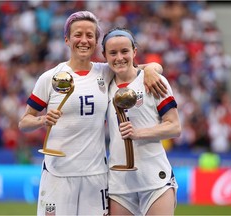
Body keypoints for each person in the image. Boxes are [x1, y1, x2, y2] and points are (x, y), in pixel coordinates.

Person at [18, 11, 167, 215]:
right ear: (67, 39)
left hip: (96, 175)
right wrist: (42, 120)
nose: (84, 40)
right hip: (58, 173)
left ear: (97, 41)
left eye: (90, 35)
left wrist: (151, 68)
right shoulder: (50, 77)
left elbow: (134, 68)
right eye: (78, 34)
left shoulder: (104, 71)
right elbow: (24, 122)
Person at [102, 27, 181, 215]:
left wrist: (138, 133)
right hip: (119, 182)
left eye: (125, 51)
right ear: (104, 56)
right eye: (113, 53)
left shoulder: (154, 81)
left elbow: (174, 127)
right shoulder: (102, 85)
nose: (119, 57)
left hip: (155, 179)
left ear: (134, 52)